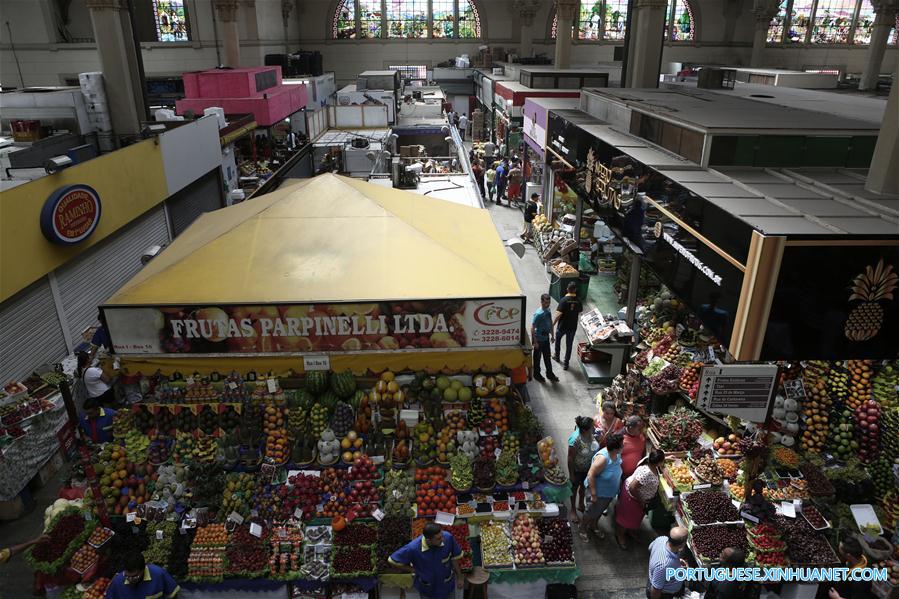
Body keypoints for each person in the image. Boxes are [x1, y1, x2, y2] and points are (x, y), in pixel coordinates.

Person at [389, 521, 464, 599]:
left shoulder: (448, 537)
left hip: (447, 586)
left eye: (442, 535)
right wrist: (413, 570)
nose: (443, 539)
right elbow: (392, 560)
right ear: (428, 540)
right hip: (427, 590)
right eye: (438, 539)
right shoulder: (413, 548)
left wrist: (460, 577)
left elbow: (454, 558)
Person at [614, 449, 664, 549]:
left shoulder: (648, 460)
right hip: (632, 498)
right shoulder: (647, 473)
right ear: (659, 462)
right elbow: (632, 488)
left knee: (634, 518)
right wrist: (641, 501)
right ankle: (620, 535)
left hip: (638, 499)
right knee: (625, 518)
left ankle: (630, 530)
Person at [580, 432, 623, 541]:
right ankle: (583, 528)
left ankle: (594, 525)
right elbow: (591, 475)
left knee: (600, 510)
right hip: (598, 493)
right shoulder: (603, 459)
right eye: (621, 445)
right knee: (590, 512)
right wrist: (594, 494)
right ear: (615, 448)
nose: (623, 446)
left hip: (608, 493)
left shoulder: (617, 454)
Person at [106, 552, 180, 599]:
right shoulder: (117, 582)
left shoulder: (159, 574)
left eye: (135, 576)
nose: (130, 580)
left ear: (143, 569)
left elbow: (173, 594)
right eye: (127, 576)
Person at [567, 416, 598, 522]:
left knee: (584, 486)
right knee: (574, 488)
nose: (594, 428)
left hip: (588, 468)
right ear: (585, 430)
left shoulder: (591, 434)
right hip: (577, 469)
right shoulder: (575, 440)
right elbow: (570, 458)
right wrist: (571, 474)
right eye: (592, 427)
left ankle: (581, 503)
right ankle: (573, 510)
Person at [646, 527, 688, 599]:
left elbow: (650, 548)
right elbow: (656, 590)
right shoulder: (664, 565)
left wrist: (677, 562)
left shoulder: (662, 539)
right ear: (682, 544)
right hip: (664, 594)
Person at [552, 281, 583, 370]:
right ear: (575, 290)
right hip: (572, 327)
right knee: (569, 345)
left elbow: (558, 314)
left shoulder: (563, 300)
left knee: (558, 341)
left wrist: (553, 324)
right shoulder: (579, 300)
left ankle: (557, 357)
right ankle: (566, 364)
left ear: (567, 289)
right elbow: (580, 311)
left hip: (562, 326)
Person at [530, 294, 558, 383]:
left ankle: (549, 374)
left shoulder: (548, 311)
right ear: (541, 302)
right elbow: (532, 328)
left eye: (549, 302)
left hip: (546, 339)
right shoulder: (539, 314)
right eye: (546, 302)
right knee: (537, 359)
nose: (548, 304)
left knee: (547, 357)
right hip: (539, 340)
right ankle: (536, 374)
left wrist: (552, 335)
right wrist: (535, 342)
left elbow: (550, 322)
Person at [620, 415, 647, 480]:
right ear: (630, 427)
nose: (641, 431)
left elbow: (643, 451)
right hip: (622, 475)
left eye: (642, 428)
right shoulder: (619, 437)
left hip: (637, 473)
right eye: (639, 429)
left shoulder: (642, 435)